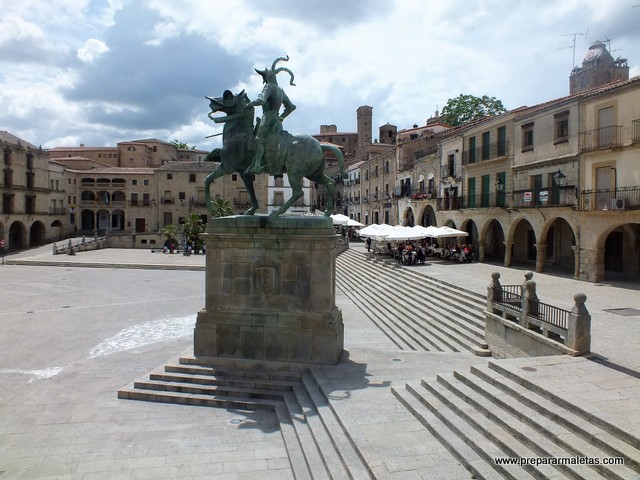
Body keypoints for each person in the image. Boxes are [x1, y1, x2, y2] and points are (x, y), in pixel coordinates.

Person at [246, 56, 296, 175]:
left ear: (266, 77)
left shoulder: (269, 87)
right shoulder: (281, 90)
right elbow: (291, 107)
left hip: (267, 119)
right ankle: (276, 167)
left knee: (259, 140)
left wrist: (248, 105)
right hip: (277, 121)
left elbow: (261, 101)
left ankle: (257, 165)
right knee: (275, 143)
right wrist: (282, 117)